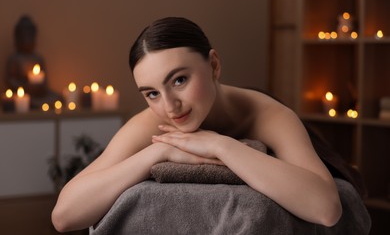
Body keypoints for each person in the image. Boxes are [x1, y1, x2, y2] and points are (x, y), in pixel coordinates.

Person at [52, 17, 343, 232]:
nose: (169, 106)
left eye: (179, 80)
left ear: (214, 65)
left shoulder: (269, 115)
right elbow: (64, 216)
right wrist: (157, 153)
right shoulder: (151, 123)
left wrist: (219, 144)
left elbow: (327, 209)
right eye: (152, 93)